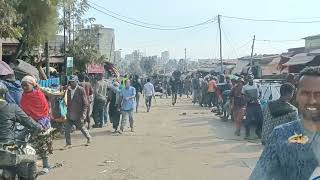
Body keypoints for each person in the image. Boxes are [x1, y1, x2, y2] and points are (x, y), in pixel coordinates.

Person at [250, 67, 320, 180]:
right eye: (305, 93)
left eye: (318, 94)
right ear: (296, 96)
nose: (312, 100)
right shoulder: (280, 135)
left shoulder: (269, 106)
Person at [20, 75, 52, 171]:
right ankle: (32, 167)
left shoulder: (38, 95)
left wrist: (40, 122)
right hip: (30, 124)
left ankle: (46, 165)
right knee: (30, 146)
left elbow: (44, 110)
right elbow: (23, 110)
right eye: (22, 86)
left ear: (32, 84)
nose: (24, 87)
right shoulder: (23, 96)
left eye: (26, 85)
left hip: (43, 123)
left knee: (43, 144)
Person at [65, 75, 91, 147]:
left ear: (77, 82)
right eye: (70, 82)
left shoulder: (81, 90)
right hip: (70, 113)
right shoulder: (68, 90)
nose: (71, 83)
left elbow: (85, 103)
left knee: (81, 127)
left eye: (73, 82)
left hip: (78, 113)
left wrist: (83, 114)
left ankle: (88, 137)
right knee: (66, 129)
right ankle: (68, 143)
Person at [242, 75, 263, 139]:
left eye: (251, 78)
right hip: (250, 105)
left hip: (257, 104)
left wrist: (258, 99)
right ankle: (247, 134)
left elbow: (261, 93)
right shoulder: (245, 87)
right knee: (248, 120)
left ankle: (258, 132)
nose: (250, 79)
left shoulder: (258, 85)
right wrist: (247, 100)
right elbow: (243, 95)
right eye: (248, 78)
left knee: (260, 120)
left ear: (253, 78)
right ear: (247, 79)